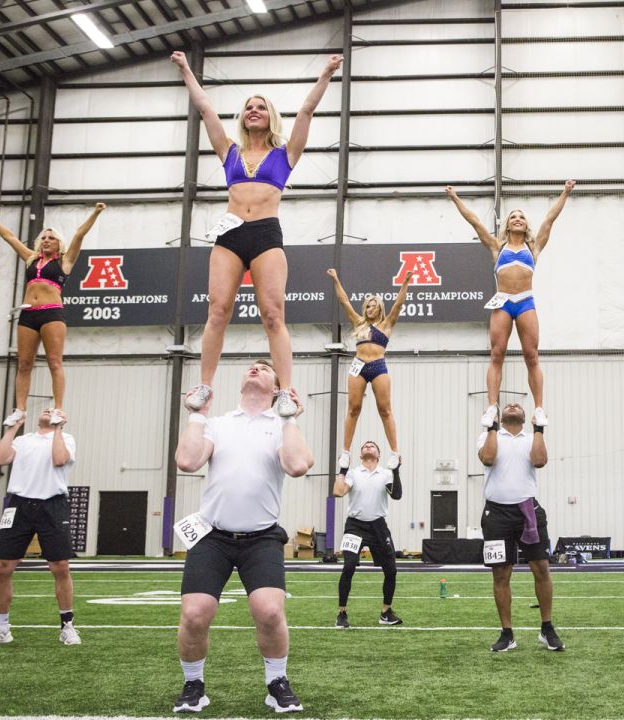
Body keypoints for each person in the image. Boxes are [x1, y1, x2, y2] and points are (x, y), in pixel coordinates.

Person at [171, 50, 343, 418]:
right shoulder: (228, 151)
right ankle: (205, 385)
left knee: (272, 314)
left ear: (270, 117)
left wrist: (326, 73)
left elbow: (307, 112)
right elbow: (205, 109)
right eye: (249, 107)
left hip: (266, 233)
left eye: (261, 107)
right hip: (231, 233)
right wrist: (187, 69)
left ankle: (285, 389)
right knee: (217, 311)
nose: (253, 111)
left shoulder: (285, 154)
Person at [171, 361, 314, 714]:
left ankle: (276, 682)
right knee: (194, 614)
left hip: (261, 537)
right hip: (212, 537)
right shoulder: (217, 424)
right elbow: (187, 462)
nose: (256, 367)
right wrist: (196, 414)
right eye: (252, 366)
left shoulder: (281, 427)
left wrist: (290, 417)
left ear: (276, 387)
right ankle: (193, 684)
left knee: (268, 611)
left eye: (265, 368)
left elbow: (297, 465)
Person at [446, 180, 576, 429]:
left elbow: (550, 219)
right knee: (497, 354)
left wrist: (565, 193)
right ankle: (492, 407)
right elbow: (474, 221)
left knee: (532, 356)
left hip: (525, 301)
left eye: (522, 217)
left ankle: (538, 409)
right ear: (507, 224)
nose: (517, 219)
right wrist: (455, 198)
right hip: (503, 303)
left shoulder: (533, 247)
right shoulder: (498, 247)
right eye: (513, 216)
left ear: (526, 225)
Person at [0, 204, 107, 426]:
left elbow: (79, 234)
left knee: (54, 362)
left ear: (59, 244)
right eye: (44, 237)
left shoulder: (64, 261)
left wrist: (95, 212)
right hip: (28, 314)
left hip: (52, 314)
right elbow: (10, 237)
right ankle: (20, 410)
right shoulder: (31, 258)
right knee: (24, 364)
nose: (47, 240)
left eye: (52, 238)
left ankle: (58, 408)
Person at [0, 409, 81, 648]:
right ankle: (1, 628)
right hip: (19, 505)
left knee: (60, 566)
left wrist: (58, 427)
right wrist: (13, 426)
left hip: (52, 504)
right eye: (44, 409)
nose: (47, 410)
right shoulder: (23, 440)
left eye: (52, 410)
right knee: (3, 567)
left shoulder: (66, 438)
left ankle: (67, 626)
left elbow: (59, 459)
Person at [476, 402, 563, 652]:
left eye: (518, 404)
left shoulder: (531, 438)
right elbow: (489, 458)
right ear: (501, 417)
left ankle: (547, 628)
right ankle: (507, 633)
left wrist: (540, 431)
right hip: (496, 514)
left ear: (525, 418)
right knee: (501, 574)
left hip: (528, 511)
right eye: (508, 405)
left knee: (542, 569)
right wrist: (491, 427)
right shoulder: (487, 436)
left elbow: (539, 461)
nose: (513, 405)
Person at [326, 269, 412, 469]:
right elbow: (344, 301)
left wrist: (405, 282)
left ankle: (394, 452)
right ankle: (345, 453)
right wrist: (336, 279)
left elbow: (399, 304)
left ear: (379, 308)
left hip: (378, 366)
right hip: (359, 366)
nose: (369, 309)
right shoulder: (358, 323)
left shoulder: (386, 324)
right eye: (367, 306)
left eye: (373, 306)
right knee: (353, 408)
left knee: (385, 410)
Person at [331, 440, 404, 628]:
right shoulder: (353, 473)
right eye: (365, 446)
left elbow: (396, 495)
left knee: (391, 570)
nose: (368, 446)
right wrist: (342, 469)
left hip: (378, 526)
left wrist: (396, 470)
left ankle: (386, 612)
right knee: (349, 566)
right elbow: (338, 492)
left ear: (378, 455)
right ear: (360, 454)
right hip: (355, 526)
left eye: (373, 446)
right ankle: (341, 613)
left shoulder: (386, 473)